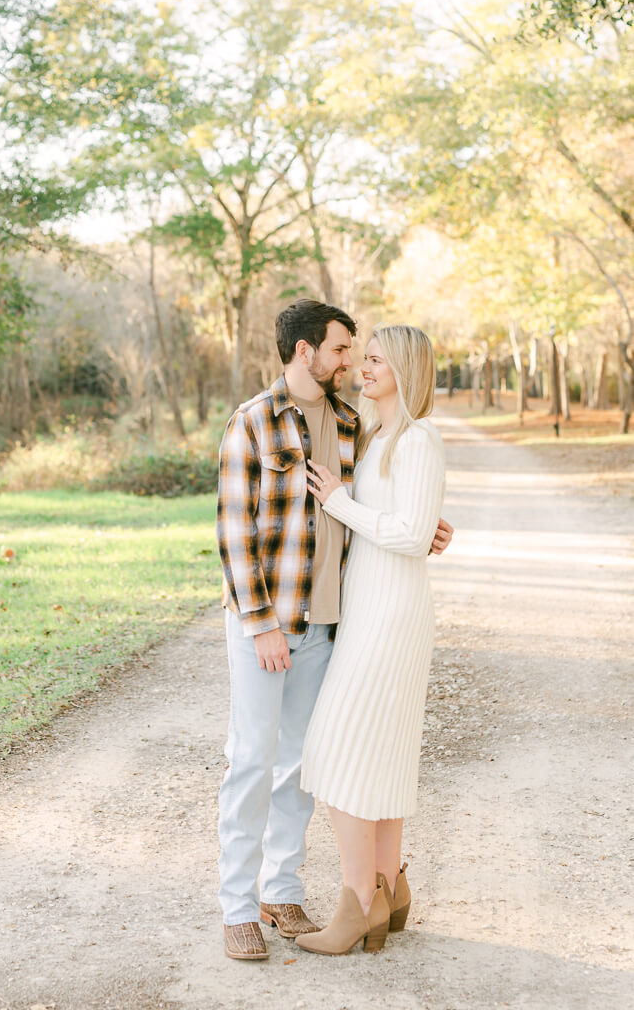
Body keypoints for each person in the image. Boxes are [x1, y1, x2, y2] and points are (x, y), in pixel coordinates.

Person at [216, 303, 453, 961]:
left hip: (333, 626)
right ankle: (238, 908)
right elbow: (235, 534)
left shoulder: (354, 426)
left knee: (303, 764)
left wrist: (424, 526)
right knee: (253, 762)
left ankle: (284, 892)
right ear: (304, 352)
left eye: (361, 353)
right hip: (268, 626)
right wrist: (261, 624)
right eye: (344, 350)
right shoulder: (253, 422)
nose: (350, 362)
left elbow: (378, 509)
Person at [297, 324, 446, 956]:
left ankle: (359, 902)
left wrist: (338, 501)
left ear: (406, 369)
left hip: (391, 616)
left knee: (335, 750)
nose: (364, 367)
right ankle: (389, 886)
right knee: (376, 754)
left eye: (377, 359)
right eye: (363, 358)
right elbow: (412, 525)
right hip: (370, 608)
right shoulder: (378, 434)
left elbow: (410, 536)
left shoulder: (417, 439)